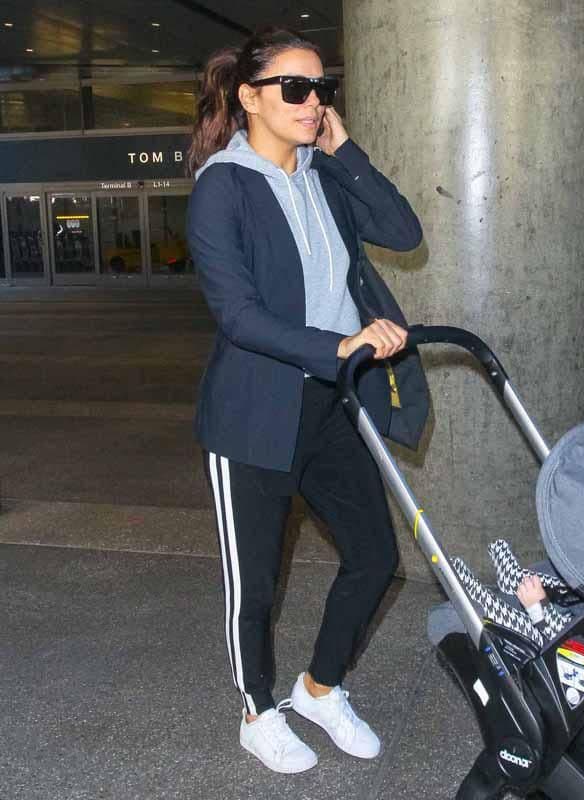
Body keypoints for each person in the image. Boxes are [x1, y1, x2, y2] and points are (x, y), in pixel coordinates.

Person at [186, 27, 423, 775]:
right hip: (253, 414)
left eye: (323, 89)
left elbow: (403, 230)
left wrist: (345, 151)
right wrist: (340, 346)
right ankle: (258, 710)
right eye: (295, 88)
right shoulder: (222, 186)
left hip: (328, 408)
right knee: (255, 583)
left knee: (376, 557)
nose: (313, 102)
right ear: (249, 97)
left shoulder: (324, 173)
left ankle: (320, 688)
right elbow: (240, 316)